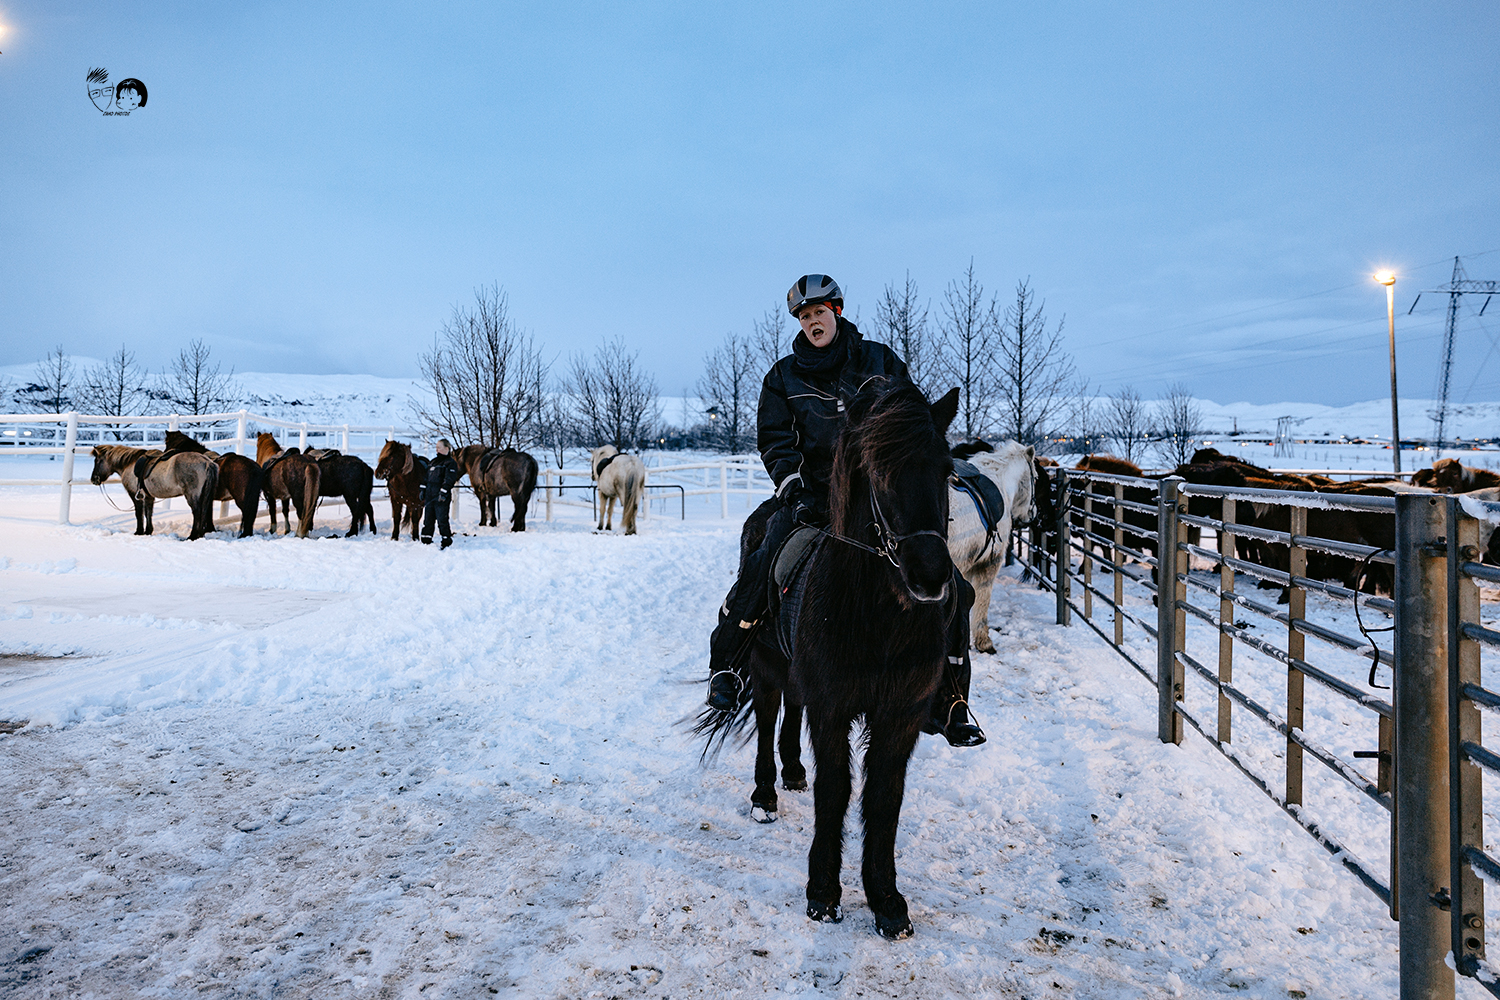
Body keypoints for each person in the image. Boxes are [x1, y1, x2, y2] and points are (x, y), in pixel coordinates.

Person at [705, 274, 985, 747]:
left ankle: (953, 698)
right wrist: (793, 485)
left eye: (820, 312)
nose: (813, 321)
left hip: (876, 501)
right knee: (766, 561)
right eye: (804, 315)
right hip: (812, 499)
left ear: (837, 312)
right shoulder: (783, 378)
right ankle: (728, 664)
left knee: (953, 585)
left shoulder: (879, 363)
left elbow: (913, 423)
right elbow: (776, 442)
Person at [421, 438, 460, 549]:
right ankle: (426, 539)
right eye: (436, 447)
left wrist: (444, 491)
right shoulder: (433, 462)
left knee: (442, 519)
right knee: (428, 518)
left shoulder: (450, 463)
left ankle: (446, 540)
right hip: (430, 495)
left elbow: (449, 479)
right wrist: (422, 489)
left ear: (447, 448)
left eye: (439, 447)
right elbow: (426, 477)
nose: (437, 449)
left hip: (441, 496)